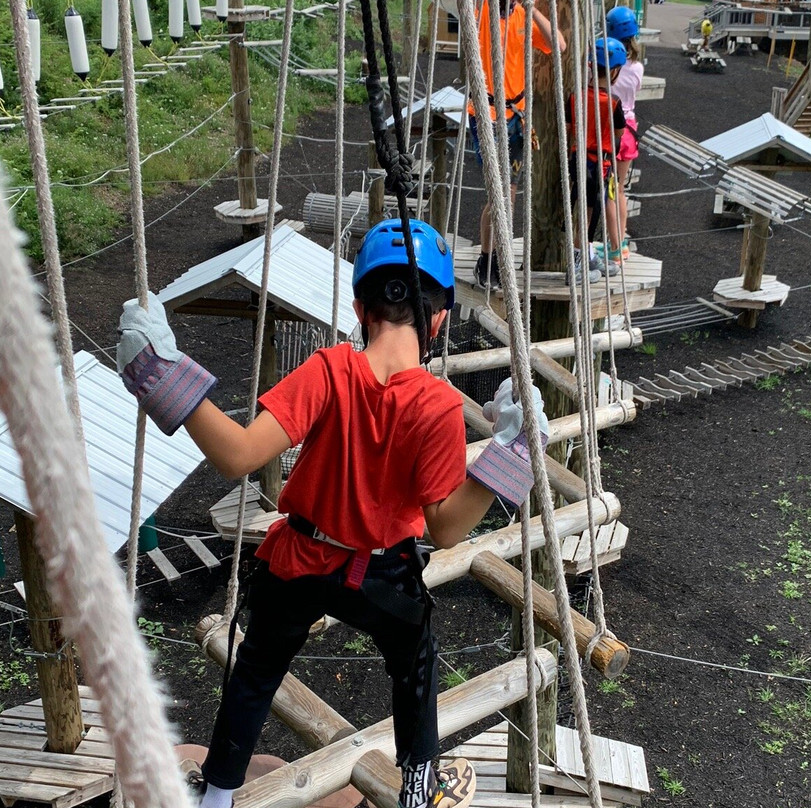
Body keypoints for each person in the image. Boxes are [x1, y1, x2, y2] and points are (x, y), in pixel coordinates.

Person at [115, 219, 549, 808]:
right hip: (383, 572)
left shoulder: (328, 370)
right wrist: (510, 455)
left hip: (299, 558)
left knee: (255, 672)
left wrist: (164, 378)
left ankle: (216, 797)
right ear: (440, 319)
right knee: (415, 667)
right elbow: (445, 528)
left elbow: (238, 455)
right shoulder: (439, 405)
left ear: (359, 306)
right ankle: (419, 791)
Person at [469, 0, 566, 288]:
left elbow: (558, 45)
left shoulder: (524, 15)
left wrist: (533, 9)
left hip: (516, 117)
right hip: (487, 115)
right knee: (499, 193)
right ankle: (488, 258)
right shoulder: (482, 10)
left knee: (508, 194)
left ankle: (493, 258)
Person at [566, 37, 626, 279]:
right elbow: (619, 132)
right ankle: (578, 263)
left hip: (577, 158)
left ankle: (586, 255)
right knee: (589, 212)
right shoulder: (612, 103)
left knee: (580, 207)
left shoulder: (576, 96)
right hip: (598, 163)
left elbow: (570, 127)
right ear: (614, 71)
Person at [606, 6, 644, 264]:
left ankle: (614, 247)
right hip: (630, 128)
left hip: (610, 128)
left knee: (606, 191)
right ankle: (621, 242)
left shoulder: (609, 65)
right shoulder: (637, 67)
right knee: (619, 189)